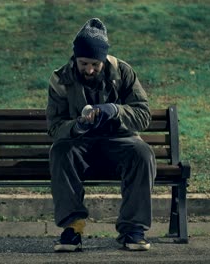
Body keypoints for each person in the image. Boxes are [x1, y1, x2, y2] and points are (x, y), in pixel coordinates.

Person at [46, 18, 156, 252]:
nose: (89, 69)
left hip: (119, 141)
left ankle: (133, 230)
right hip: (80, 143)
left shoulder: (124, 72)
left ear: (104, 59)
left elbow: (143, 115)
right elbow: (55, 127)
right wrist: (77, 127)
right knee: (60, 150)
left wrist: (116, 110)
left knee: (142, 153)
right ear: (75, 57)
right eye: (84, 63)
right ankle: (72, 229)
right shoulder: (60, 78)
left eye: (95, 64)